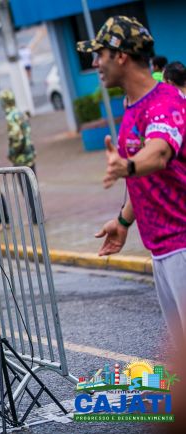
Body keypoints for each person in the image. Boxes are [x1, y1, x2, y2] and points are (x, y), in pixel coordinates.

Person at [77, 16, 186, 347]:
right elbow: (148, 175)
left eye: (100, 54)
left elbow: (159, 153)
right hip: (163, 249)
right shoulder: (132, 106)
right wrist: (124, 221)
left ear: (121, 55)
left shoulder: (165, 102)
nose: (95, 63)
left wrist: (128, 165)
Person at [0, 89, 39, 225]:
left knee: (26, 189)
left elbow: (17, 139)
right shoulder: (21, 113)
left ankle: (35, 217)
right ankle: (38, 215)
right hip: (30, 155)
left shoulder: (11, 117)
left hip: (21, 158)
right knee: (33, 186)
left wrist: (11, 153)